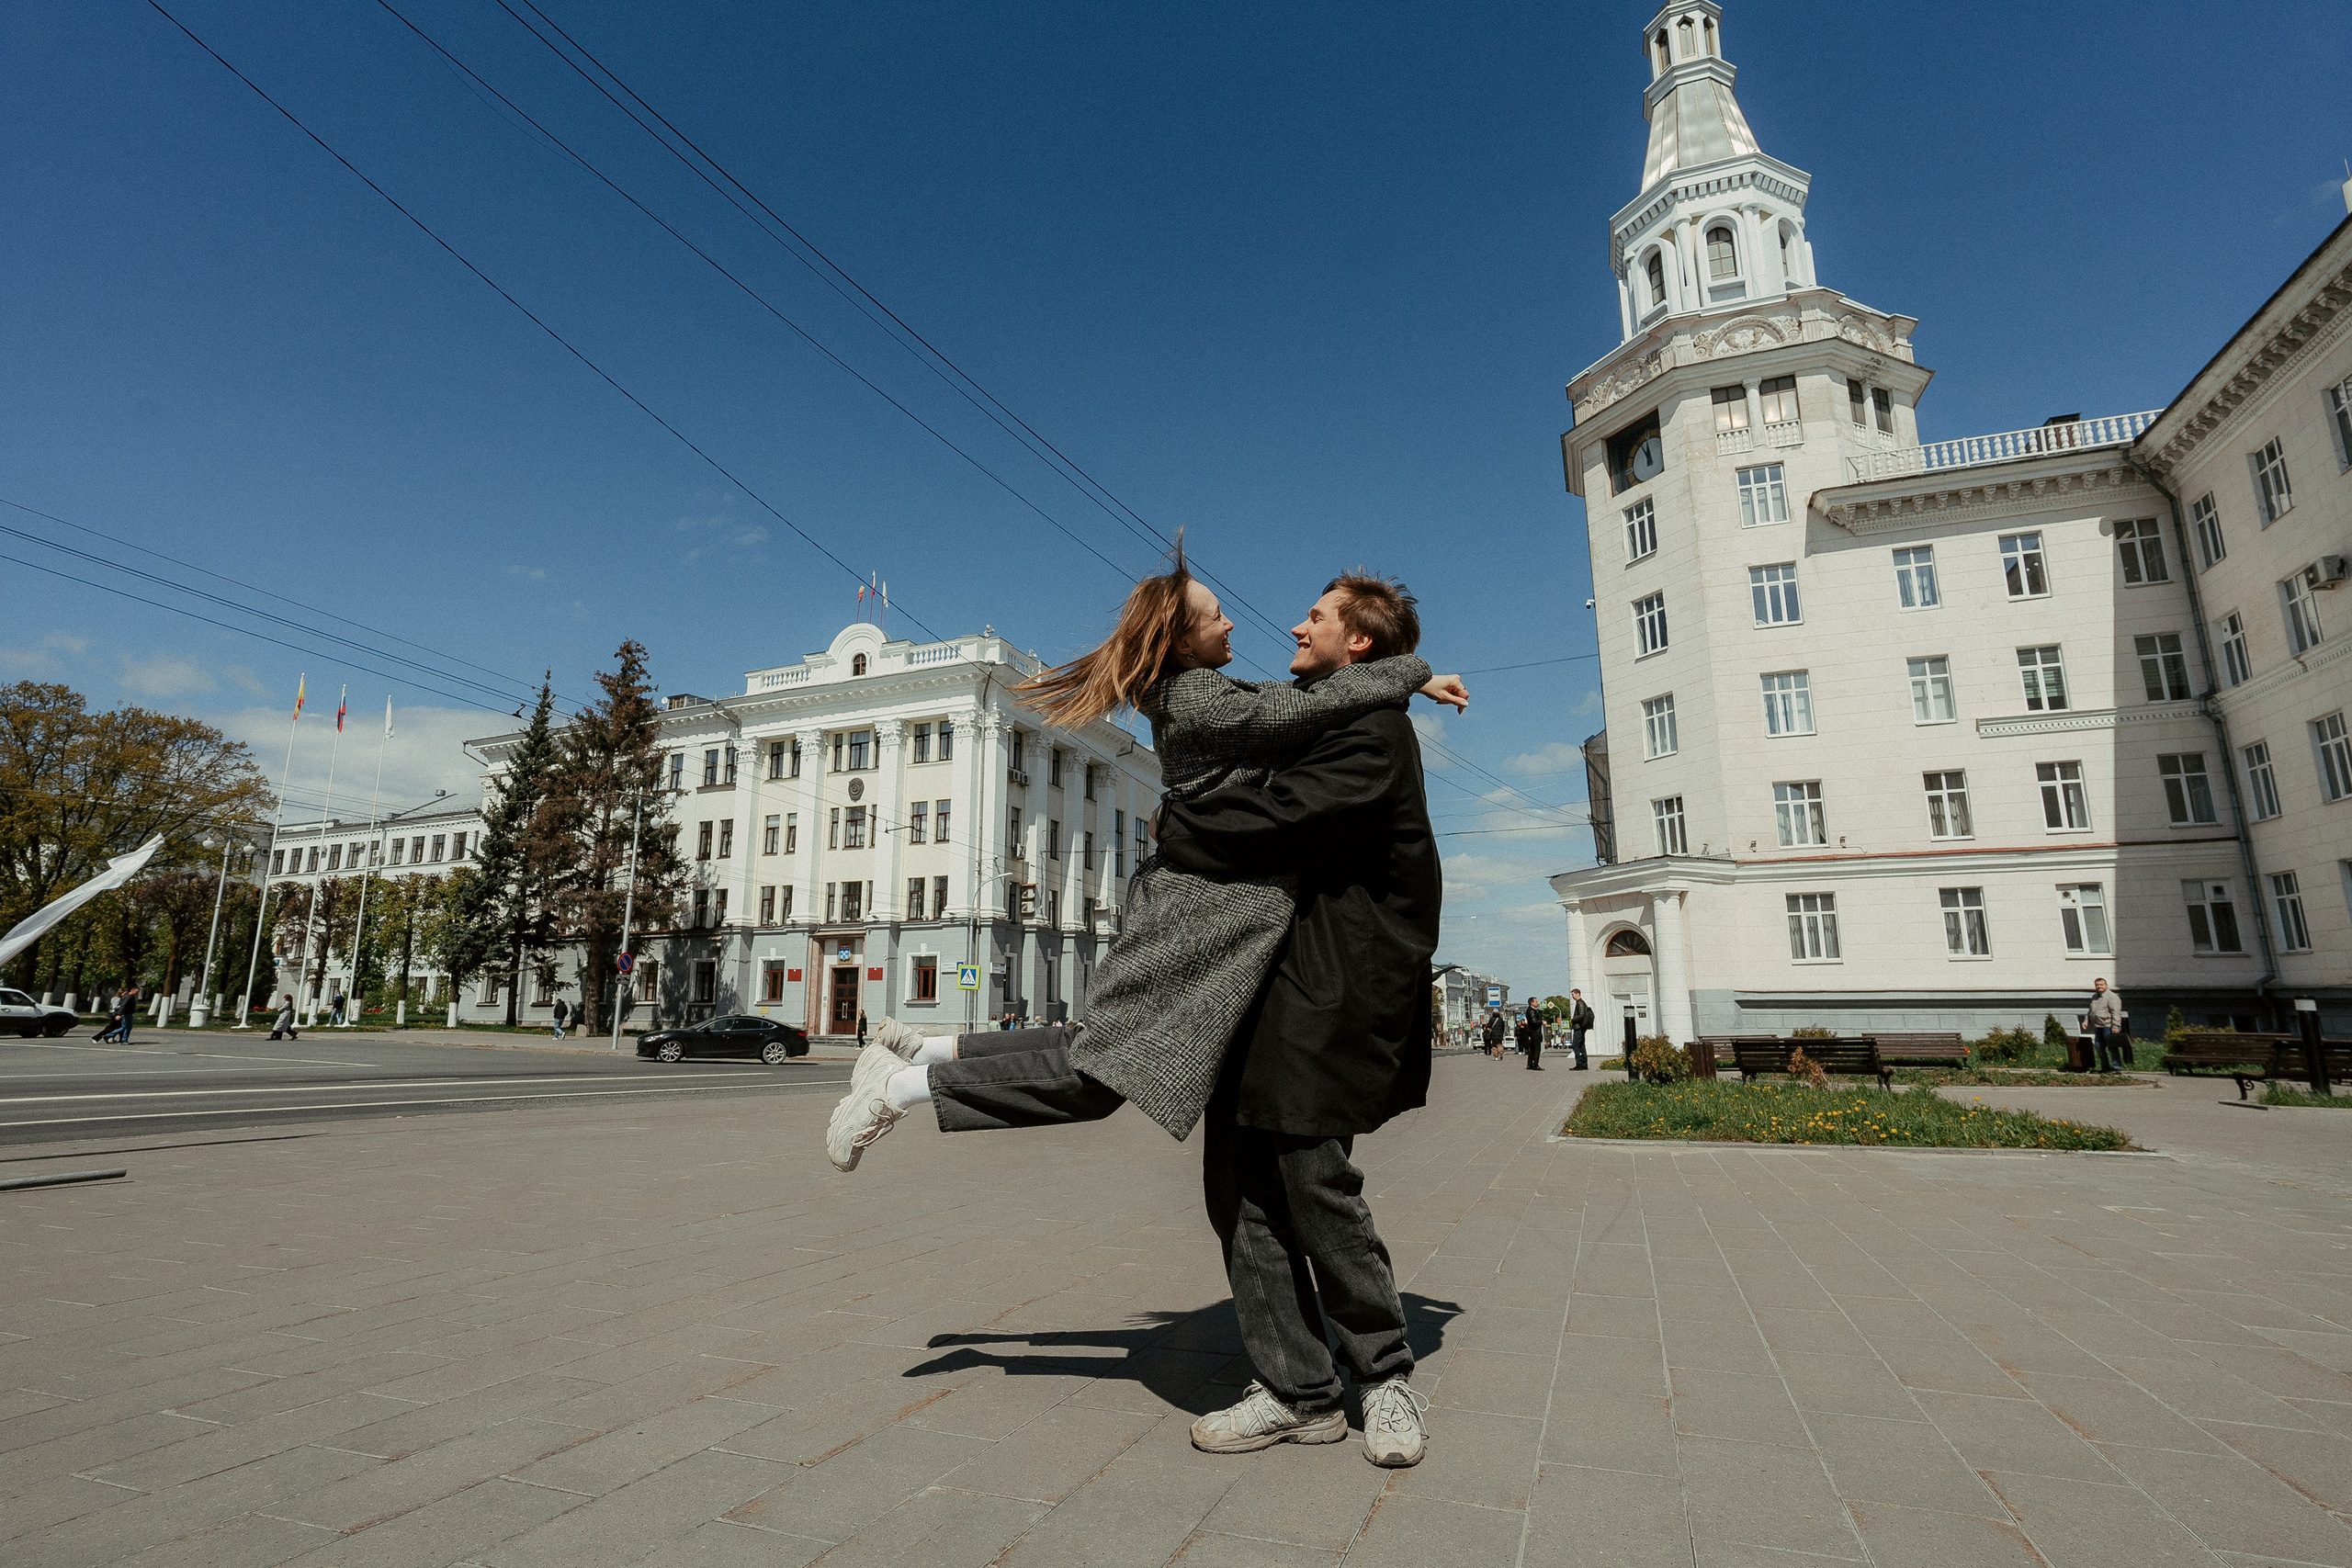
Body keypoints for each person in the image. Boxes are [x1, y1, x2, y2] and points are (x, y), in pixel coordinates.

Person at [823, 547, 1465, 1173]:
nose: (1233, 620)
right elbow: (1302, 707)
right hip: (1192, 915)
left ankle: (921, 1048)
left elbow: (1304, 705)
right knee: (1098, 1074)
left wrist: (1405, 675)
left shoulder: (1203, 690)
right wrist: (1409, 671)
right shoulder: (1199, 699)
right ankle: (899, 1089)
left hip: (1194, 912)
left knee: (1093, 1047)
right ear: (1183, 642)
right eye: (1215, 615)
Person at [1152, 568, 1440, 1469]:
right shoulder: (1325, 713)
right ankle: (1297, 1391)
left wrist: (1180, 826)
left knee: (1312, 1182)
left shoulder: (1370, 731)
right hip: (1268, 983)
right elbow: (1242, 719)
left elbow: (1288, 820)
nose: (1294, 624)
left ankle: (1383, 1375)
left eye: (1314, 616)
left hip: (1329, 989)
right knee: (1239, 1189)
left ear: (1358, 642)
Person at [2087, 977, 2127, 1075]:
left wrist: (2116, 1026)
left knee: (2112, 1047)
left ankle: (2116, 1068)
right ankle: (2105, 1068)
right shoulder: (2095, 997)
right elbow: (2091, 1011)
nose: (2099, 987)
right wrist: (2086, 1021)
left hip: (2109, 1026)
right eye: (2097, 985)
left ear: (2106, 985)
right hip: (2098, 1026)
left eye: (2101, 984)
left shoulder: (2112, 997)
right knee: (2099, 1047)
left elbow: (2116, 1012)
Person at [1568, 988, 1594, 1070]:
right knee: (1581, 1045)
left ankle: (1580, 1063)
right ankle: (1584, 1063)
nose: (1572, 996)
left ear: (1577, 994)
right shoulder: (1580, 1003)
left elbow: (1581, 1015)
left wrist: (1572, 1020)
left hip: (1579, 1027)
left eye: (1573, 994)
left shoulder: (1580, 1003)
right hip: (1581, 1026)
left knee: (1575, 1045)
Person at [1520, 1006, 1544, 1070]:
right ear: (1532, 1003)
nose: (1537, 1002)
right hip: (1535, 1032)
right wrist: (1541, 1022)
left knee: (1532, 1049)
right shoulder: (1531, 1011)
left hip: (1533, 1032)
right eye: (1536, 1001)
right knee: (1536, 1049)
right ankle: (1535, 1065)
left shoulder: (1531, 1010)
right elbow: (1534, 1022)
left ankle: (1530, 1064)